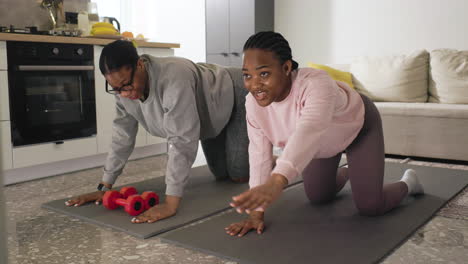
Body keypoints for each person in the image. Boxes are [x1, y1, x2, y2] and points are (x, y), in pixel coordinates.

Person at [226, 31, 424, 237]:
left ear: (286, 68)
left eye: (264, 73)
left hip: (359, 126)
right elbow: (258, 153)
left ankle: (409, 183)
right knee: (318, 196)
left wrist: (277, 180)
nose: (254, 84)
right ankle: (351, 171)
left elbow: (309, 129)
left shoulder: (316, 83)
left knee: (371, 206)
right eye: (247, 75)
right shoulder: (253, 104)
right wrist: (256, 214)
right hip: (322, 145)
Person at [65, 40, 250, 223]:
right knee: (221, 175)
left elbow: (182, 140)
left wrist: (170, 203)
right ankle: (239, 147)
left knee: (237, 175)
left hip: (235, 92)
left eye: (126, 85)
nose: (125, 94)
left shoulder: (173, 76)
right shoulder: (123, 90)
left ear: (139, 65)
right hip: (210, 113)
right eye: (116, 88)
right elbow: (122, 135)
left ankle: (270, 163)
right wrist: (105, 185)